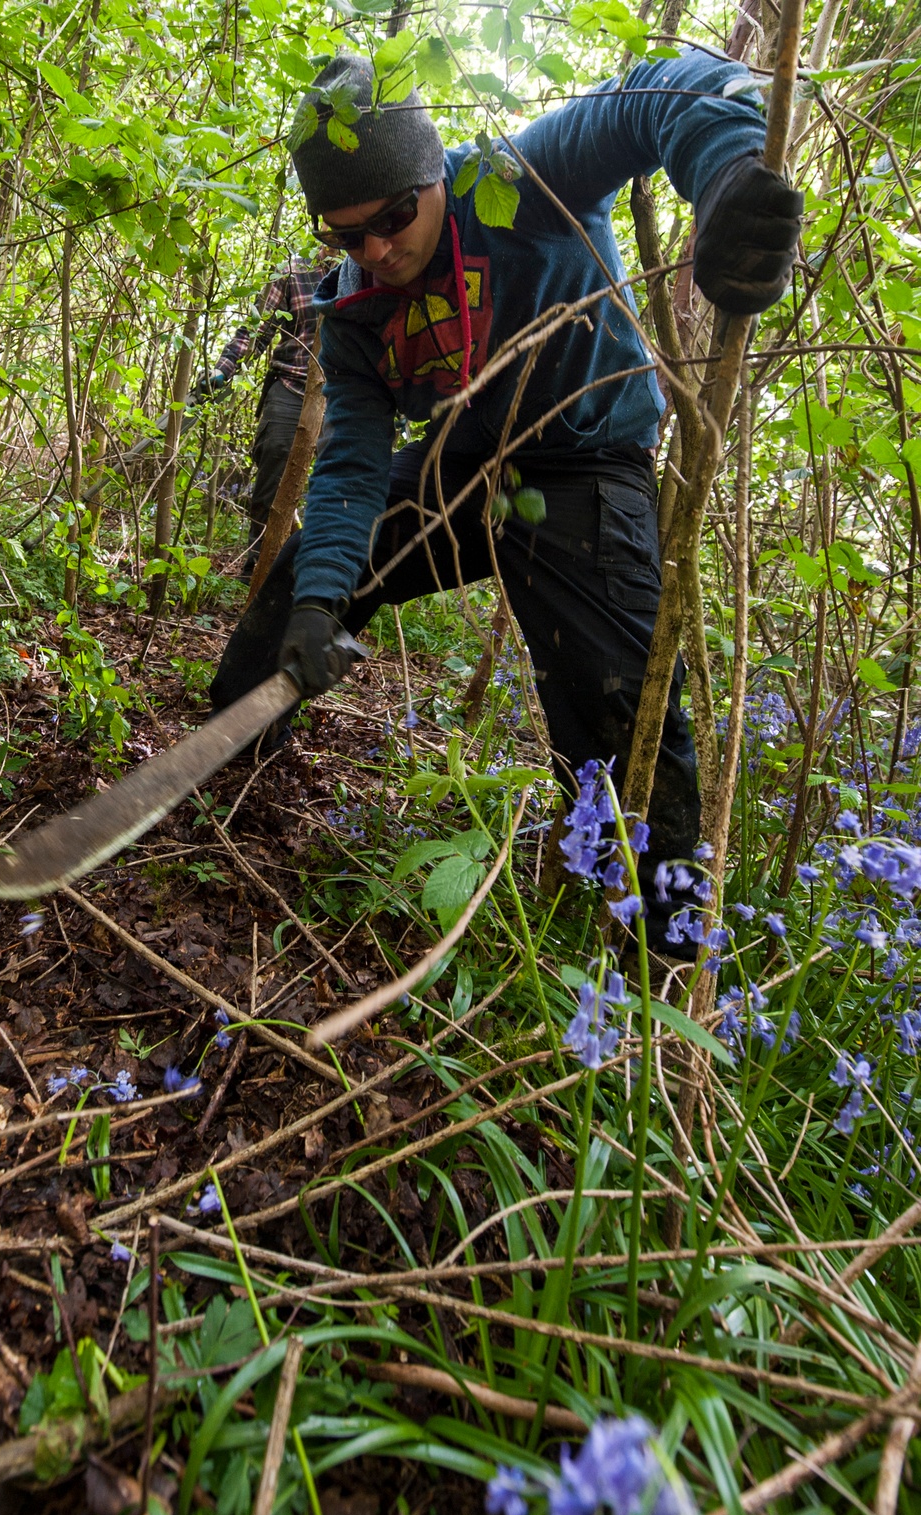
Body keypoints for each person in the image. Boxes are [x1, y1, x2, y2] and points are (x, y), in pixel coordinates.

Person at [211, 49, 802, 952]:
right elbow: (351, 467)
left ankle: (667, 962)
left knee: (614, 712)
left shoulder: (518, 180)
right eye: (345, 235)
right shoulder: (355, 310)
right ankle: (222, 789)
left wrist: (725, 178)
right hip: (463, 470)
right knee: (294, 596)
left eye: (393, 218)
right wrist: (326, 600)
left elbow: (666, 91)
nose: (376, 250)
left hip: (585, 465)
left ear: (429, 173)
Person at [238, 251, 334, 573]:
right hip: (292, 384)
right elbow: (256, 329)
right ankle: (259, 562)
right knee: (275, 457)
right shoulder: (292, 270)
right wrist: (225, 368)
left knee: (337, 478)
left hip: (343, 392)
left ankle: (317, 571)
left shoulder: (368, 266)